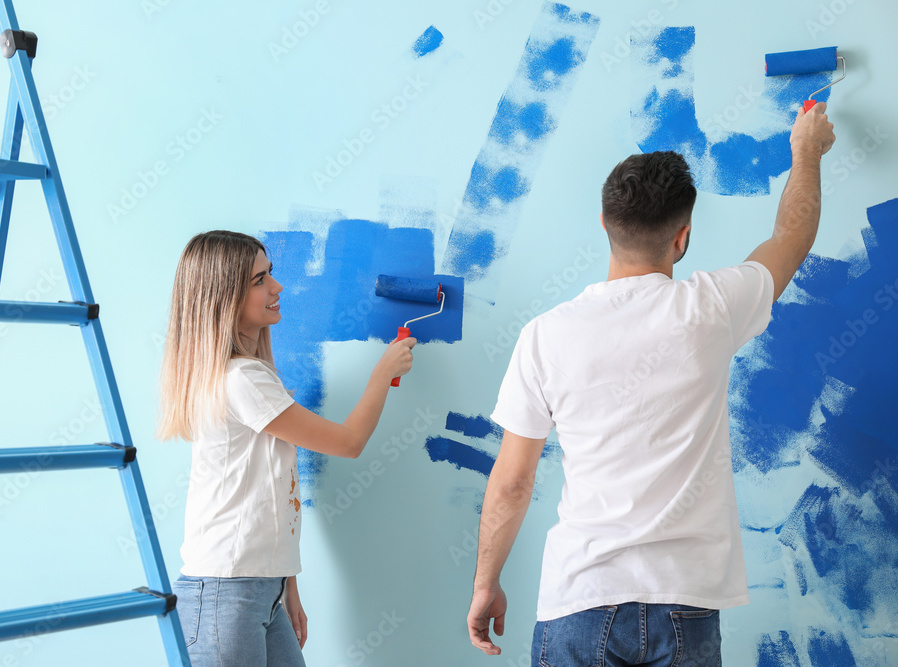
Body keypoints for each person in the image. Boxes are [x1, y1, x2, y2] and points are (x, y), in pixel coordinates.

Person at [467, 103, 836, 666]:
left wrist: (485, 583)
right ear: (682, 238)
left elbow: (513, 483)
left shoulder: (545, 336)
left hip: (579, 600)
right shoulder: (710, 309)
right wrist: (806, 151)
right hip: (684, 603)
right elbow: (792, 235)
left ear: (604, 224)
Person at [155, 230, 416, 666]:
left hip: (256, 590)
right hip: (224, 595)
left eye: (270, 274)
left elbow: (270, 496)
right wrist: (381, 374)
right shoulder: (242, 380)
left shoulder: (249, 376)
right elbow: (349, 443)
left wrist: (287, 587)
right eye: (259, 280)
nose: (277, 287)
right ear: (224, 298)